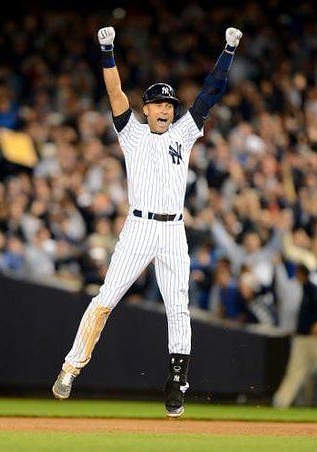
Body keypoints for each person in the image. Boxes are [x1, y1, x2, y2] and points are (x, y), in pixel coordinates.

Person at [52, 25, 243, 417]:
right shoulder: (133, 135)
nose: (165, 110)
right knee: (105, 300)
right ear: (147, 108)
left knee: (178, 308)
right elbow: (114, 93)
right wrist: (107, 50)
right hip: (138, 227)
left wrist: (228, 49)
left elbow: (211, 91)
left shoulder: (185, 134)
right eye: (158, 104)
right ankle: (71, 368)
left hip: (173, 229)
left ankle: (177, 386)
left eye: (170, 105)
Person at [273, 264, 317, 408]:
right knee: (295, 370)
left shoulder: (313, 288)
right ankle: (281, 401)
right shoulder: (305, 288)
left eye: (298, 273)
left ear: (302, 273)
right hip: (303, 337)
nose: (296, 276)